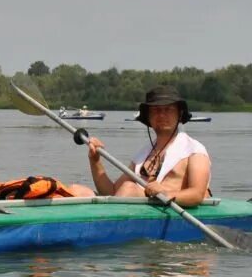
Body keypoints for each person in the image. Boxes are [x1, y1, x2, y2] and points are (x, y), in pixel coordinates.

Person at [77, 85, 211, 207]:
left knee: (129, 188)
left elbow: (197, 195)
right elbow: (112, 191)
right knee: (80, 191)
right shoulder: (143, 155)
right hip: (136, 212)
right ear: (149, 116)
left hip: (167, 212)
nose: (162, 115)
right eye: (156, 110)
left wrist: (165, 193)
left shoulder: (195, 151)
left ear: (179, 114)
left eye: (168, 109)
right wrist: (95, 161)